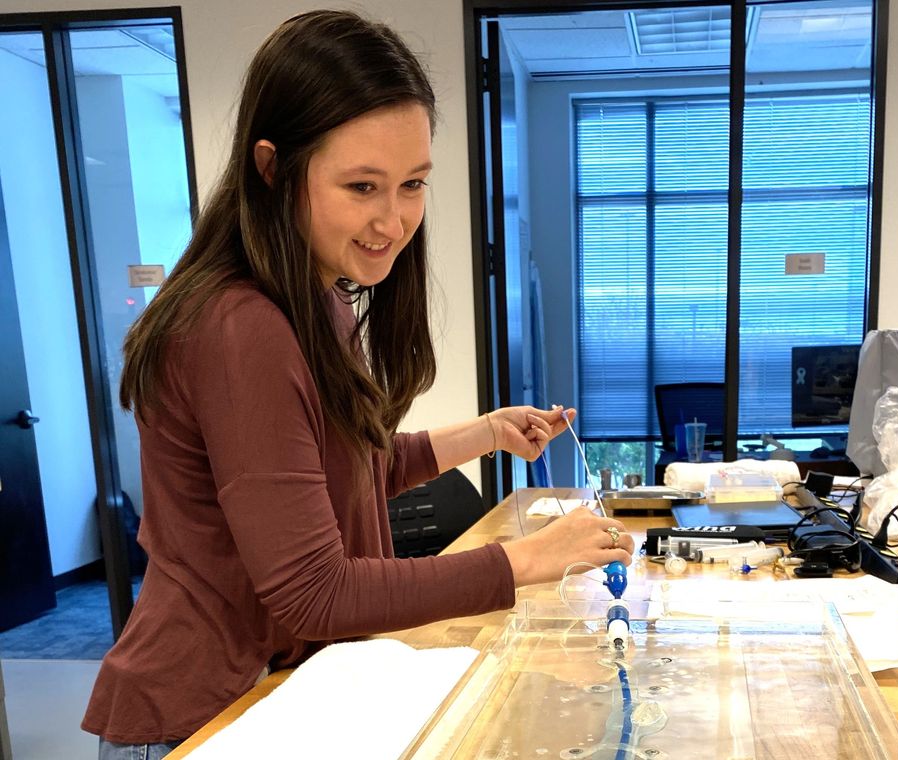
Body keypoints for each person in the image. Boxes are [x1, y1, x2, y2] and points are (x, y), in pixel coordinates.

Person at [82, 10, 634, 759]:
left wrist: (485, 433)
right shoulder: (240, 326)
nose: (394, 220)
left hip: (276, 695)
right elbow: (314, 591)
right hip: (205, 717)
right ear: (273, 169)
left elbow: (340, 471)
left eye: (412, 184)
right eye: (362, 186)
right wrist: (524, 561)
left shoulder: (320, 296)